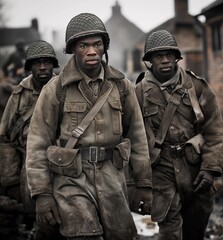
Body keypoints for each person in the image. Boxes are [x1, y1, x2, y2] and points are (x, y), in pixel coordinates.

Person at [25, 13, 152, 240]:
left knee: (120, 235)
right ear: (73, 49)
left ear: (104, 48)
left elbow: (138, 136)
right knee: (84, 234)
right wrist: (42, 194)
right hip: (71, 180)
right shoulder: (56, 89)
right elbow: (37, 143)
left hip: (113, 179)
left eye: (97, 44)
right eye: (84, 45)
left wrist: (143, 184)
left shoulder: (122, 86)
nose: (92, 51)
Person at [135, 30, 223, 240]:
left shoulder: (198, 87)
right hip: (160, 168)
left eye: (169, 54)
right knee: (170, 230)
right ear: (149, 61)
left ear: (177, 57)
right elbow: (132, 137)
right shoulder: (137, 93)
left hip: (194, 166)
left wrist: (210, 169)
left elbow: (214, 131)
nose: (165, 60)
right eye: (158, 56)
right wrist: (139, 180)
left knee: (195, 228)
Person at [0, 40, 64, 240]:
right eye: (37, 63)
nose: (43, 67)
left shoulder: (65, 89)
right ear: (29, 67)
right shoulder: (19, 95)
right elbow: (6, 138)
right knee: (40, 223)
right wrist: (10, 181)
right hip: (28, 167)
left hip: (62, 165)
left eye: (47, 62)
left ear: (54, 64)